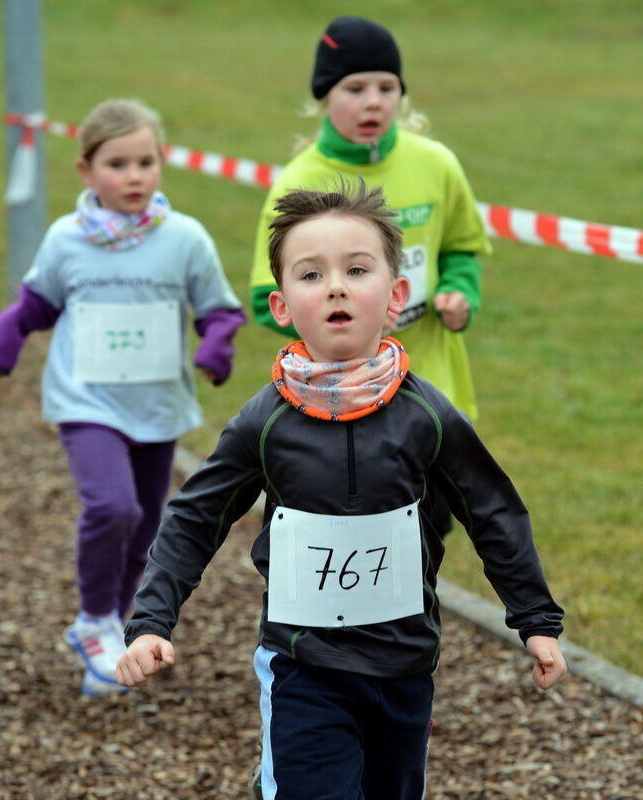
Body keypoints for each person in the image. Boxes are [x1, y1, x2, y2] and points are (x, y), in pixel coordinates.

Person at [117, 181, 566, 800]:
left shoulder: (427, 416)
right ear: (280, 305)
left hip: (405, 666)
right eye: (311, 274)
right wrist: (151, 622)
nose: (335, 286)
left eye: (357, 269)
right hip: (304, 667)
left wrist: (535, 620)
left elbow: (492, 510)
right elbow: (195, 519)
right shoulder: (264, 422)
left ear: (395, 296)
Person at [0, 98, 246, 696]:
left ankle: (114, 631)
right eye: (117, 164)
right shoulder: (66, 239)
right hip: (87, 401)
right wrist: (6, 337)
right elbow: (37, 306)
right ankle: (91, 619)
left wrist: (216, 345)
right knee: (114, 508)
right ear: (86, 171)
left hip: (156, 406)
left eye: (145, 162)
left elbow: (220, 308)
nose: (133, 176)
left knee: (145, 529)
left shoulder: (184, 238)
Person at [249, 16, 491, 538]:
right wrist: (338, 320)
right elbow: (259, 298)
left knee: (425, 539)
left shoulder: (437, 164)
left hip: (430, 393)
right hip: (330, 409)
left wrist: (460, 292)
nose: (373, 102)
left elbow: (464, 248)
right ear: (323, 98)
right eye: (354, 88)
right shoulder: (298, 181)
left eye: (387, 87)